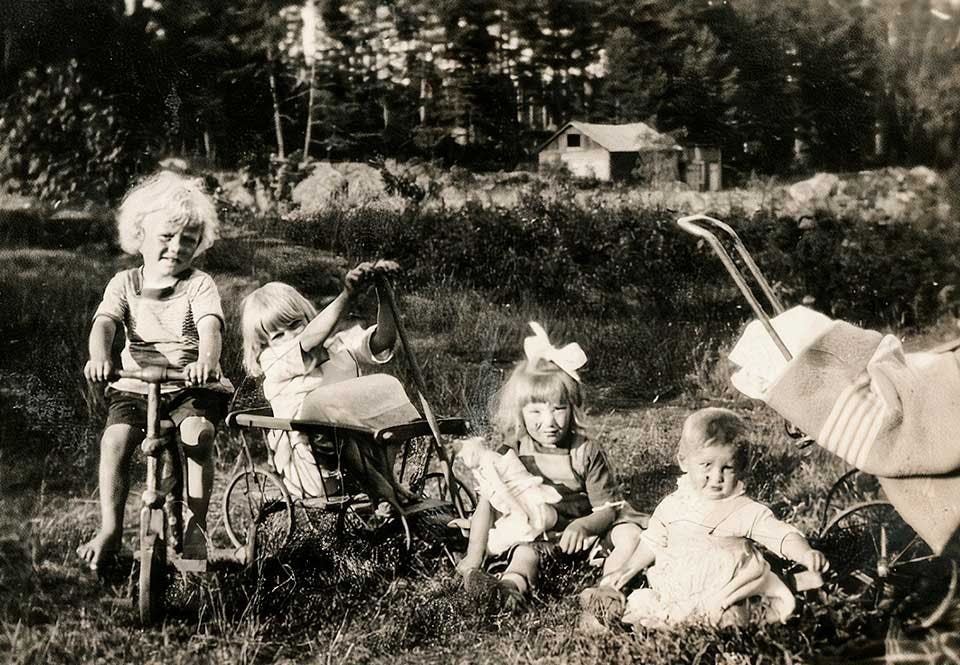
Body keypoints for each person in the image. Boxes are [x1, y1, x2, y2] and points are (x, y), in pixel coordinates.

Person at [78, 170, 233, 569]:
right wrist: (100, 357)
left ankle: (196, 527)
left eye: (189, 239)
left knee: (198, 436)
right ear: (140, 233)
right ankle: (111, 529)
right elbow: (104, 324)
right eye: (167, 236)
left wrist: (206, 362)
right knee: (114, 442)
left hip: (188, 385)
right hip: (135, 386)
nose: (177, 247)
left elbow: (210, 327)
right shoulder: (124, 283)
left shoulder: (198, 284)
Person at [456, 322, 647, 614]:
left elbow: (607, 510)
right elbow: (487, 505)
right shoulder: (513, 451)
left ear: (573, 408)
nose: (549, 422)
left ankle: (607, 589)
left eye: (558, 409)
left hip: (588, 536)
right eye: (536, 411)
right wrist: (473, 556)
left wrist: (583, 525)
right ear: (520, 412)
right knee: (524, 555)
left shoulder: (584, 451)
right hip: (540, 538)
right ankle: (508, 591)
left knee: (629, 534)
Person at [609, 407, 829, 628]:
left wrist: (805, 553)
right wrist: (628, 569)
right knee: (643, 606)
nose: (716, 477)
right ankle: (661, 618)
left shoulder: (743, 510)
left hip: (728, 591)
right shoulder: (673, 505)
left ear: (741, 468)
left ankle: (770, 597)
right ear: (684, 461)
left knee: (732, 616)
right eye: (706, 465)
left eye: (727, 467)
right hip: (679, 589)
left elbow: (781, 535)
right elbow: (653, 541)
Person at [239, 262, 420, 511]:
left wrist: (384, 297)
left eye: (294, 324)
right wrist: (347, 295)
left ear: (309, 318)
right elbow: (308, 342)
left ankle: (385, 478)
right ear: (262, 345)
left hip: (360, 451)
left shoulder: (338, 345)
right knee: (319, 403)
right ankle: (379, 487)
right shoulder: (274, 360)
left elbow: (383, 341)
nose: (289, 336)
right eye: (278, 335)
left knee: (388, 384)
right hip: (314, 465)